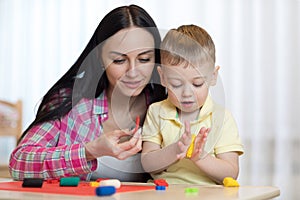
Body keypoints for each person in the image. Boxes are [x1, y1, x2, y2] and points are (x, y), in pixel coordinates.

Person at [9, 4, 166, 181]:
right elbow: (19, 162)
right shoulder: (70, 102)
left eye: (144, 59)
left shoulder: (167, 106)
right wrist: (90, 151)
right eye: (119, 60)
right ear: (99, 58)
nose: (133, 72)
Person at [141, 24, 244, 185]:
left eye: (197, 84)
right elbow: (147, 164)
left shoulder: (221, 117)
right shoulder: (156, 111)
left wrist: (200, 156)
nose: (187, 93)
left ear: (213, 76)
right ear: (163, 77)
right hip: (163, 193)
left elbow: (231, 172)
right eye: (176, 84)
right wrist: (175, 150)